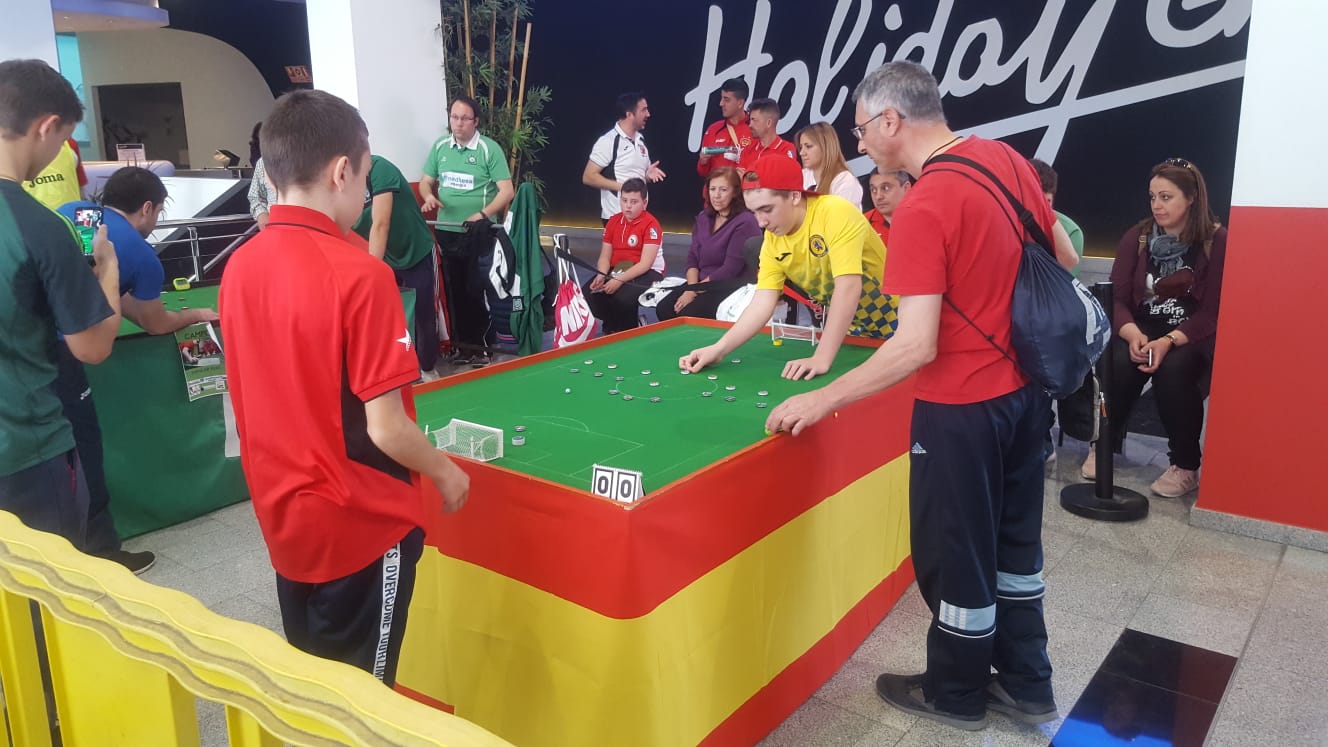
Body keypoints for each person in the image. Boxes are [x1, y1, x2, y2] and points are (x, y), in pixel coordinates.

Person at [763, 61, 1081, 732]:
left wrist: (823, 398)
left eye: (860, 129)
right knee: (1016, 547)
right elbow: (1066, 259)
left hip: (960, 408)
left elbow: (915, 345)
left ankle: (955, 692)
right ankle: (1027, 681)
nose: (860, 143)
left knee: (954, 550)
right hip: (1028, 397)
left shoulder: (924, 204)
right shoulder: (1007, 161)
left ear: (891, 120)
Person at [218, 89, 470, 686]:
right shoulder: (362, 275)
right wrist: (445, 472)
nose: (366, 192)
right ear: (341, 173)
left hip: (284, 521)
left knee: (312, 687)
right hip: (361, 526)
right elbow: (386, 426)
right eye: (365, 176)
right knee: (362, 701)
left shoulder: (240, 267)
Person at [55, 167, 219, 573]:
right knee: (84, 445)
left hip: (28, 344)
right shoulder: (142, 254)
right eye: (159, 211)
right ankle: (101, 549)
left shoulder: (72, 212)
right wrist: (197, 313)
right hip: (67, 353)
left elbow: (107, 289)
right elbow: (155, 322)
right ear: (147, 208)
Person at [0, 59, 122, 550]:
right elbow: (92, 346)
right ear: (47, 127)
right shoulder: (40, 227)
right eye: (64, 141)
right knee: (43, 590)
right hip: (26, 456)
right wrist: (107, 268)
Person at [1080, 158, 1226, 499]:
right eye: (1152, 197)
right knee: (1118, 360)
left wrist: (1169, 341)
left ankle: (1185, 466)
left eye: (1166, 197)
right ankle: (1104, 446)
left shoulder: (1216, 241)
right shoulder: (1138, 237)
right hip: (1143, 325)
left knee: (1174, 370)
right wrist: (1131, 332)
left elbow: (1212, 312)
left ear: (1191, 198)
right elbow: (1116, 299)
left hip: (1190, 332)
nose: (1157, 205)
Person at [679, 154, 897, 381]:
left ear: (794, 196)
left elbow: (848, 287)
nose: (761, 222)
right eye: (754, 212)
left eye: (766, 209)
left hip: (899, 324)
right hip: (850, 333)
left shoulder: (835, 212)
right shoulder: (773, 241)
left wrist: (821, 358)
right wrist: (719, 349)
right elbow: (762, 302)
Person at [420, 95, 516, 367]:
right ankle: (463, 348)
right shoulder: (440, 147)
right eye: (454, 117)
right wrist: (428, 196)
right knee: (455, 292)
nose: (458, 123)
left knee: (478, 291)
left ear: (476, 122)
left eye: (464, 118)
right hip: (447, 230)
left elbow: (507, 191)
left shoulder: (488, 149)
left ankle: (483, 348)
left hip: (479, 232)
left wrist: (482, 214)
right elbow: (426, 182)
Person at [353, 155, 440, 377]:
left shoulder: (379, 168)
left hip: (415, 250)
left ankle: (428, 370)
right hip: (383, 255)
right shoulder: (335, 182)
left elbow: (381, 224)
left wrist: (372, 274)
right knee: (388, 315)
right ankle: (397, 370)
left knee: (422, 314)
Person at [657, 167, 762, 321]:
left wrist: (694, 290)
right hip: (700, 283)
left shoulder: (745, 221)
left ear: (735, 192)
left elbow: (730, 269)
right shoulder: (704, 217)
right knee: (664, 308)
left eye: (723, 190)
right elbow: (693, 258)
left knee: (687, 314)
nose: (716, 195)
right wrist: (691, 288)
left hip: (729, 285)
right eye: (713, 189)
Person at [584, 178, 664, 334]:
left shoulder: (651, 224)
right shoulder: (613, 222)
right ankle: (617, 324)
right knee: (588, 294)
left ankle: (628, 330)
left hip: (648, 271)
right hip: (620, 268)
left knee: (622, 297)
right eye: (624, 200)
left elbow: (645, 264)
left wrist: (618, 280)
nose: (628, 206)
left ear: (644, 203)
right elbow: (605, 256)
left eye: (634, 202)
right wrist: (601, 275)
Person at [582, 92, 667, 222]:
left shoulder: (641, 140)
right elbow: (588, 177)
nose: (648, 114)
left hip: (640, 216)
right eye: (644, 110)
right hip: (616, 217)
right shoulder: (608, 141)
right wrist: (624, 188)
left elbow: (637, 178)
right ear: (629, 114)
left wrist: (647, 176)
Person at [1030, 159, 1085, 277]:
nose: (1041, 209)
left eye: (1047, 202)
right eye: (1034, 202)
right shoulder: (1003, 222)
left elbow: (1065, 280)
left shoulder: (1071, 231)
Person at [696, 78, 751, 182]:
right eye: (721, 98)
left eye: (726, 99)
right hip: (715, 190)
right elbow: (703, 172)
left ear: (740, 103)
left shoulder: (755, 129)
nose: (721, 103)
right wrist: (703, 162)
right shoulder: (713, 129)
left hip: (743, 191)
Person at [798, 121, 863, 206]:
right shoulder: (802, 175)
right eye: (801, 147)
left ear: (825, 146)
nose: (802, 153)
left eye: (808, 146)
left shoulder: (845, 181)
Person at [23, 137, 86, 210]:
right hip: (30, 214)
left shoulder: (70, 144)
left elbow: (79, 188)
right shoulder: (15, 147)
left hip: (69, 214)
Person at [737, 98, 797, 173]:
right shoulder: (748, 148)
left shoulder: (786, 149)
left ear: (769, 123)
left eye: (754, 120)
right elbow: (739, 175)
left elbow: (785, 176)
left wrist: (749, 177)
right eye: (750, 120)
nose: (750, 125)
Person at [864, 168, 913, 245]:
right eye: (873, 190)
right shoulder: (863, 224)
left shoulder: (925, 215)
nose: (878, 196)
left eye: (885, 188)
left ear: (906, 188)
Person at [248, 157, 274, 229]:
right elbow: (255, 197)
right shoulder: (264, 161)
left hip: (301, 223)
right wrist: (261, 214)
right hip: (272, 227)